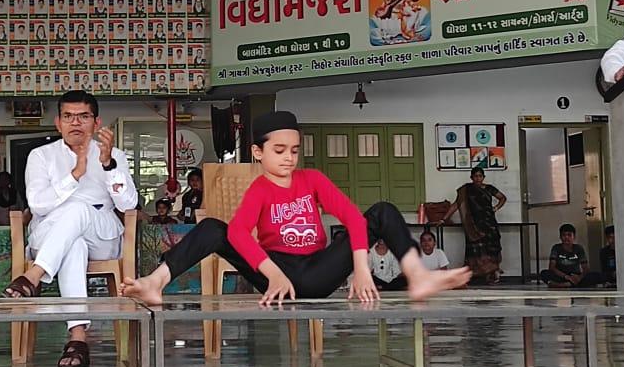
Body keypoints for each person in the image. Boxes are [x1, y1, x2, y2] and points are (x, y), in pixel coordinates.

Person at [121, 111, 469, 310]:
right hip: (278, 275)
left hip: (318, 271)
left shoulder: (312, 179)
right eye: (279, 150)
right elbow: (240, 233)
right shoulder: (259, 189)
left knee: (380, 211)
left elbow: (350, 216)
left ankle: (418, 275)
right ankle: (155, 281)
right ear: (258, 152)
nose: (288, 157)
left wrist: (360, 268)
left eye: (294, 150)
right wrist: (271, 272)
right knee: (214, 227)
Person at [4, 90, 139, 367]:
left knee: (79, 210)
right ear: (58, 123)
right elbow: (39, 205)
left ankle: (34, 276)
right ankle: (77, 338)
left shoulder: (114, 156)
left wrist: (107, 165)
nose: (75, 123)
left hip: (101, 233)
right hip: (52, 232)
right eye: (68, 116)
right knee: (73, 243)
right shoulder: (41, 156)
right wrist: (76, 173)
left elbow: (129, 205)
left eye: (83, 117)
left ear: (96, 122)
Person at [438, 167, 506, 285]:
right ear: (471, 178)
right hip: (473, 226)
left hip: (489, 224)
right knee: (475, 251)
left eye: (480, 176)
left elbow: (502, 198)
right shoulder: (466, 190)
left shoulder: (489, 188)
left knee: (491, 250)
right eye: (475, 176)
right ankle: (471, 276)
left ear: (483, 177)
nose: (478, 179)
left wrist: (495, 208)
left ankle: (492, 275)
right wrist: (444, 219)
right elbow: (456, 205)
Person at [540, 224, 603, 288]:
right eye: (564, 235)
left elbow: (585, 268)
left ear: (574, 237)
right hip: (561, 276)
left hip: (575, 276)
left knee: (596, 276)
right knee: (544, 273)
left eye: (569, 235)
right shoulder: (556, 248)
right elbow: (552, 267)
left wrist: (579, 277)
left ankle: (564, 285)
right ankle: (569, 284)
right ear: (560, 237)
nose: (566, 238)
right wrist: (566, 277)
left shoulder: (579, 248)